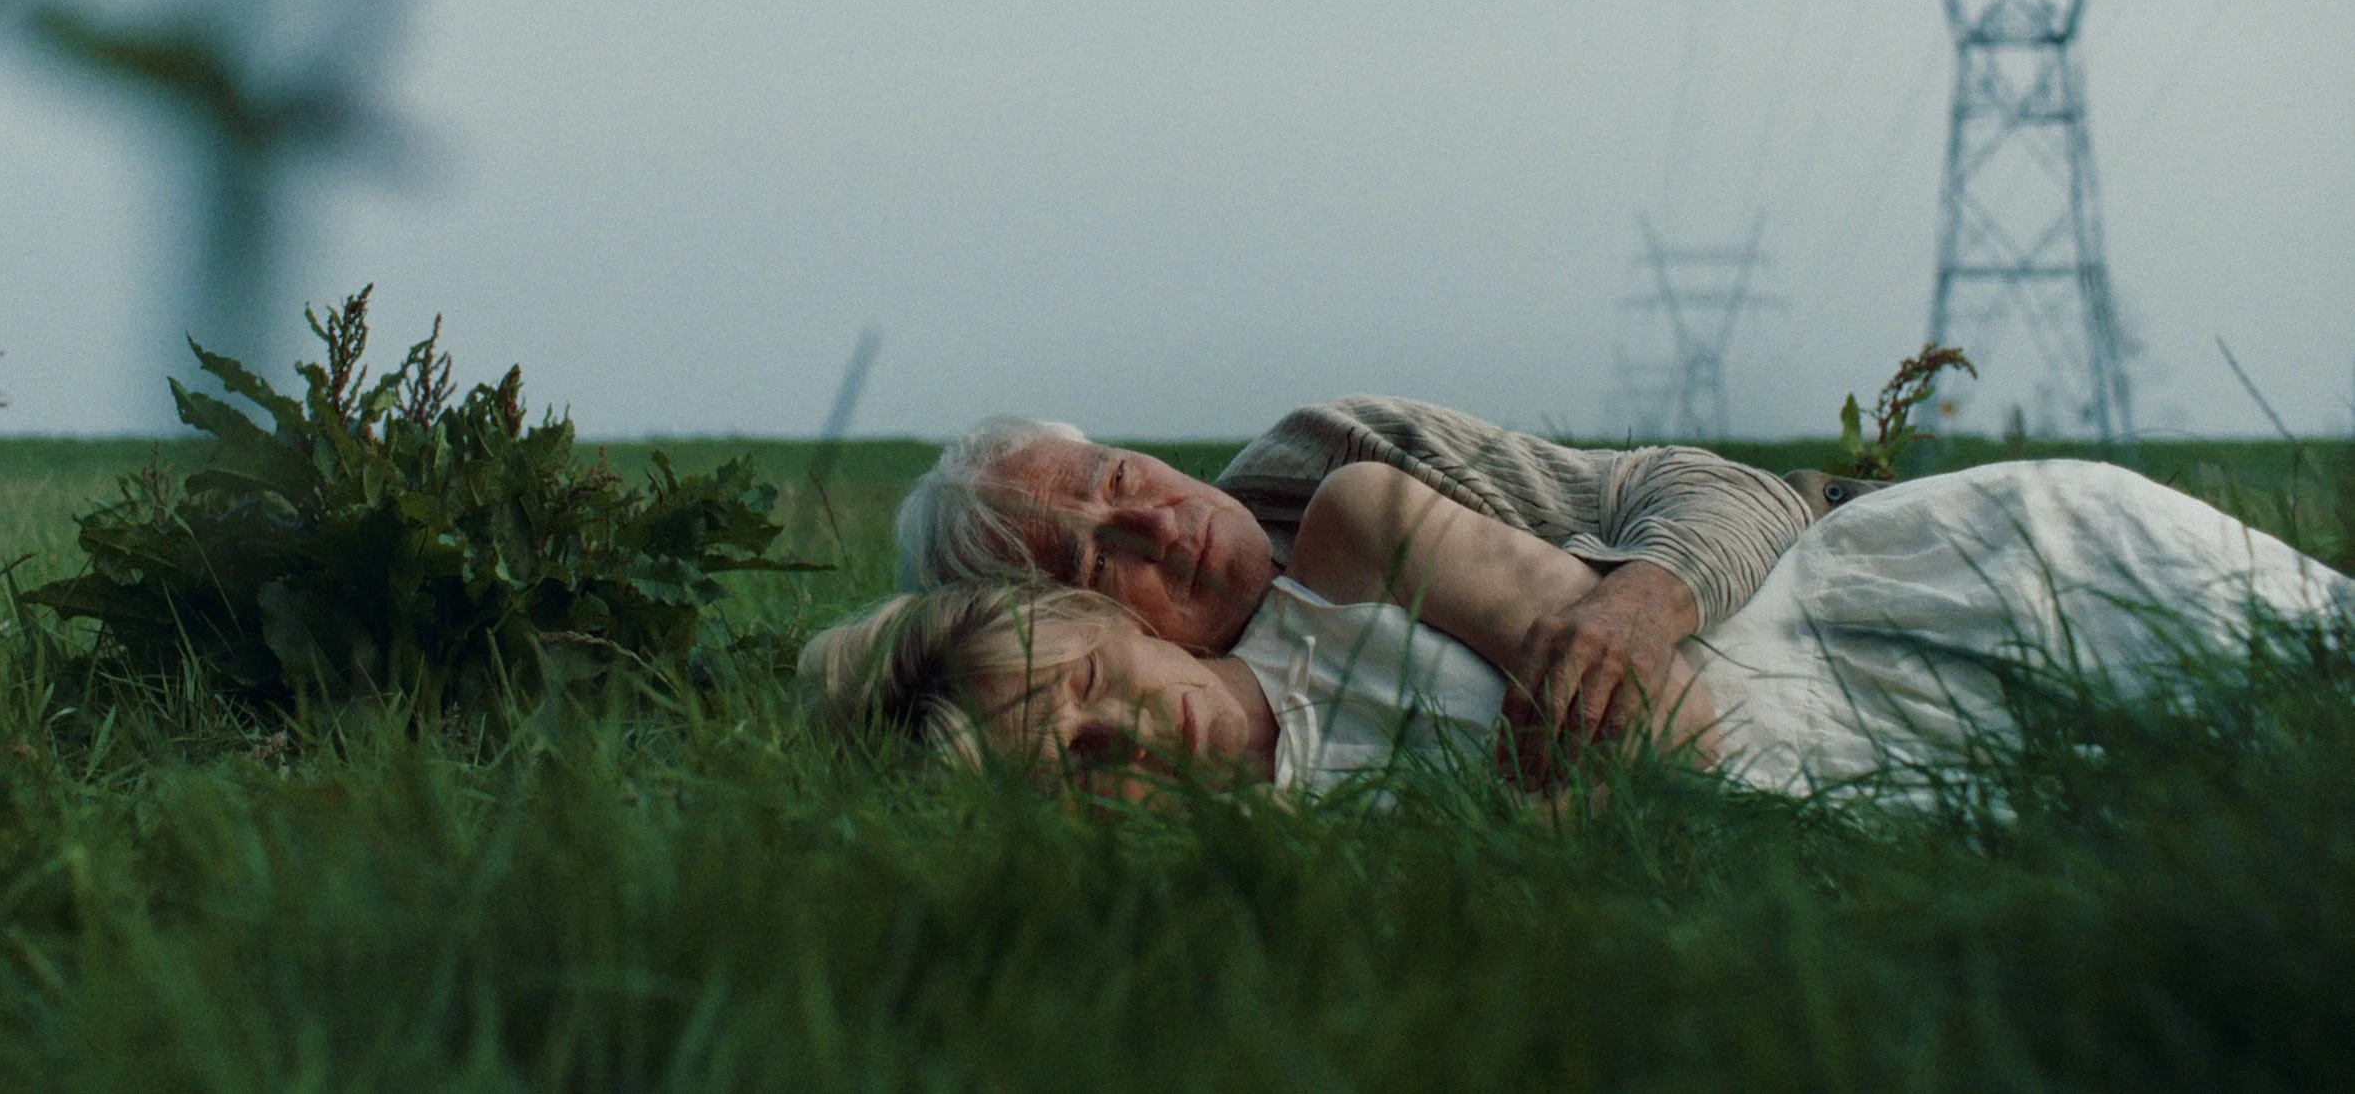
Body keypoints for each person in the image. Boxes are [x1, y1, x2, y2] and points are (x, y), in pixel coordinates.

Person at [811, 456, 2352, 800]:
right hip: (1968, 784)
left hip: (1954, 604)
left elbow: (1681, 721)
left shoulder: (1346, 532)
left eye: (1094, 680)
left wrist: (1571, 811)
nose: (1124, 729)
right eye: (1078, 762)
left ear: (1101, 626)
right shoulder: (1266, 878)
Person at [891, 397, 1858, 767]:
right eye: (1099, 560)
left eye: (1118, 479)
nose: (1158, 526)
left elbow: (1729, 491)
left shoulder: (1334, 461)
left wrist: (1640, 602)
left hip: (1828, 560)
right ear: (1070, 620)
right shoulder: (1181, 746)